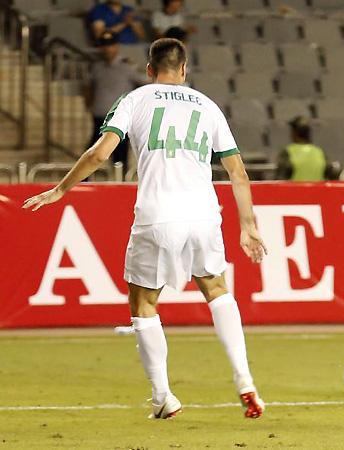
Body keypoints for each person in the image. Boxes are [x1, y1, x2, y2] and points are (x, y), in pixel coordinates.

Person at [23, 38, 267, 419]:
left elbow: (100, 153)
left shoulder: (135, 99)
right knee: (218, 291)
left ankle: (163, 396)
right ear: (184, 70)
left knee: (144, 305)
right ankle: (245, 380)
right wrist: (248, 225)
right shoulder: (208, 106)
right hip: (204, 215)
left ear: (149, 70)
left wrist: (60, 189)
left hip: (158, 214)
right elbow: (237, 172)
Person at [85, 32, 146, 175]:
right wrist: (89, 105)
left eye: (110, 45)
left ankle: (121, 181)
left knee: (120, 155)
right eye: (104, 45)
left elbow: (143, 82)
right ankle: (83, 181)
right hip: (100, 115)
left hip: (120, 118)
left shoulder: (127, 66)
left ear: (116, 46)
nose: (107, 48)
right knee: (92, 152)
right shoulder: (96, 67)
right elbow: (89, 87)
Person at [275, 116, 328, 181]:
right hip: (318, 188)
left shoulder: (287, 153)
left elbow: (280, 180)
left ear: (294, 133)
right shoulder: (320, 152)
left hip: (295, 188)